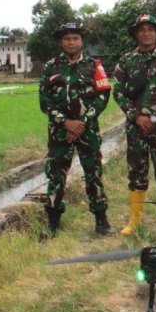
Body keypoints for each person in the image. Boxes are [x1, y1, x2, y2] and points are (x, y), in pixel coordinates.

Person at [112, 14, 156, 238]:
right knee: (136, 173)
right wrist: (136, 116)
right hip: (135, 127)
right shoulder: (125, 60)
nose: (146, 33)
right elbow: (118, 91)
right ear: (136, 33)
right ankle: (135, 219)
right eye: (141, 29)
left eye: (150, 29)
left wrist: (153, 118)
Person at [38, 22, 112, 235]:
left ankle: (101, 220)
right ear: (61, 42)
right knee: (56, 176)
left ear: (82, 41)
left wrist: (82, 122)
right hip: (59, 132)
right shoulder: (50, 67)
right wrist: (65, 122)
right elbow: (45, 101)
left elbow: (103, 96)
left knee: (94, 173)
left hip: (87, 130)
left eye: (75, 38)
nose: (71, 42)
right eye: (67, 38)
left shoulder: (94, 65)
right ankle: (52, 222)